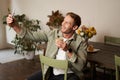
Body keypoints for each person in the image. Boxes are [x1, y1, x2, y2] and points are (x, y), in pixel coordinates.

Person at [6, 12, 87, 80]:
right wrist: (14, 25)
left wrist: (68, 50)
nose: (62, 24)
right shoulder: (53, 34)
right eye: (63, 21)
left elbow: (80, 66)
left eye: (67, 23)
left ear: (75, 27)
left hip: (70, 74)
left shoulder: (81, 42)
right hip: (50, 71)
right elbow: (31, 35)